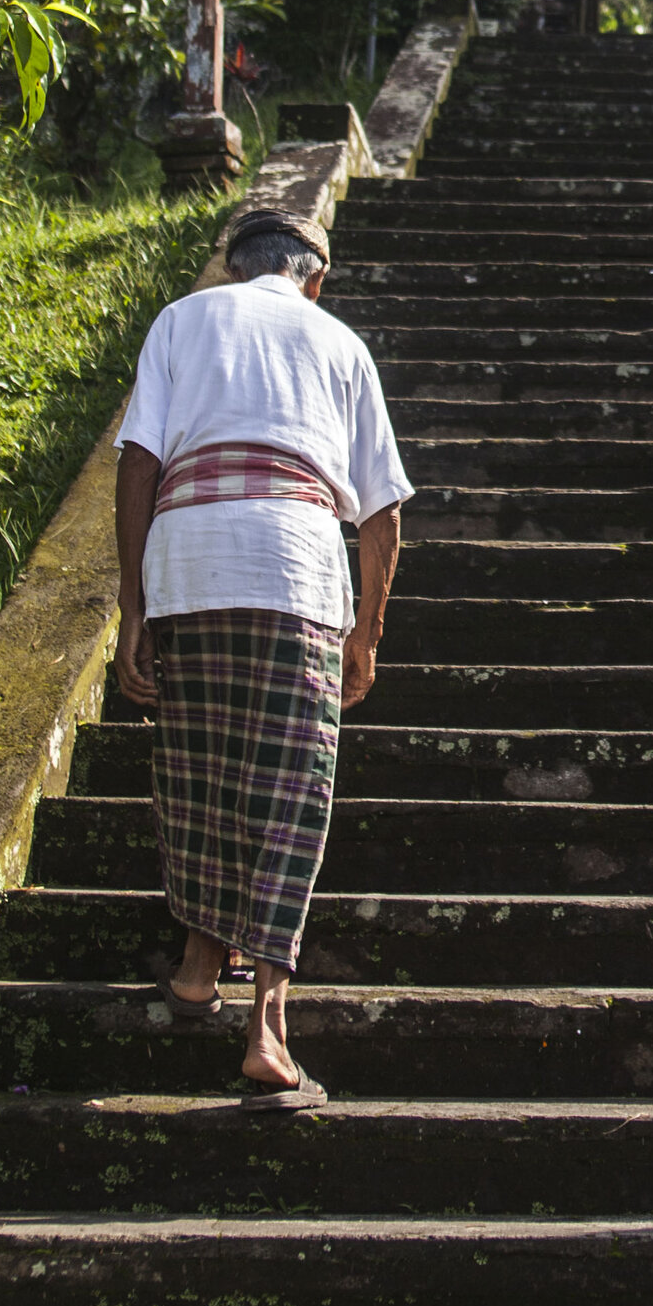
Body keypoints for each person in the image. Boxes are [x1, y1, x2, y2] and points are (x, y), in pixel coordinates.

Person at [113, 204, 412, 1100]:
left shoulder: (180, 319)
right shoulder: (339, 341)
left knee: (199, 770)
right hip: (296, 565)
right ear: (314, 276)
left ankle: (202, 964)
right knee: (293, 786)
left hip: (191, 556)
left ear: (233, 266)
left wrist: (133, 611)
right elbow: (384, 508)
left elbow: (138, 463)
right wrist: (367, 633)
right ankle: (269, 1025)